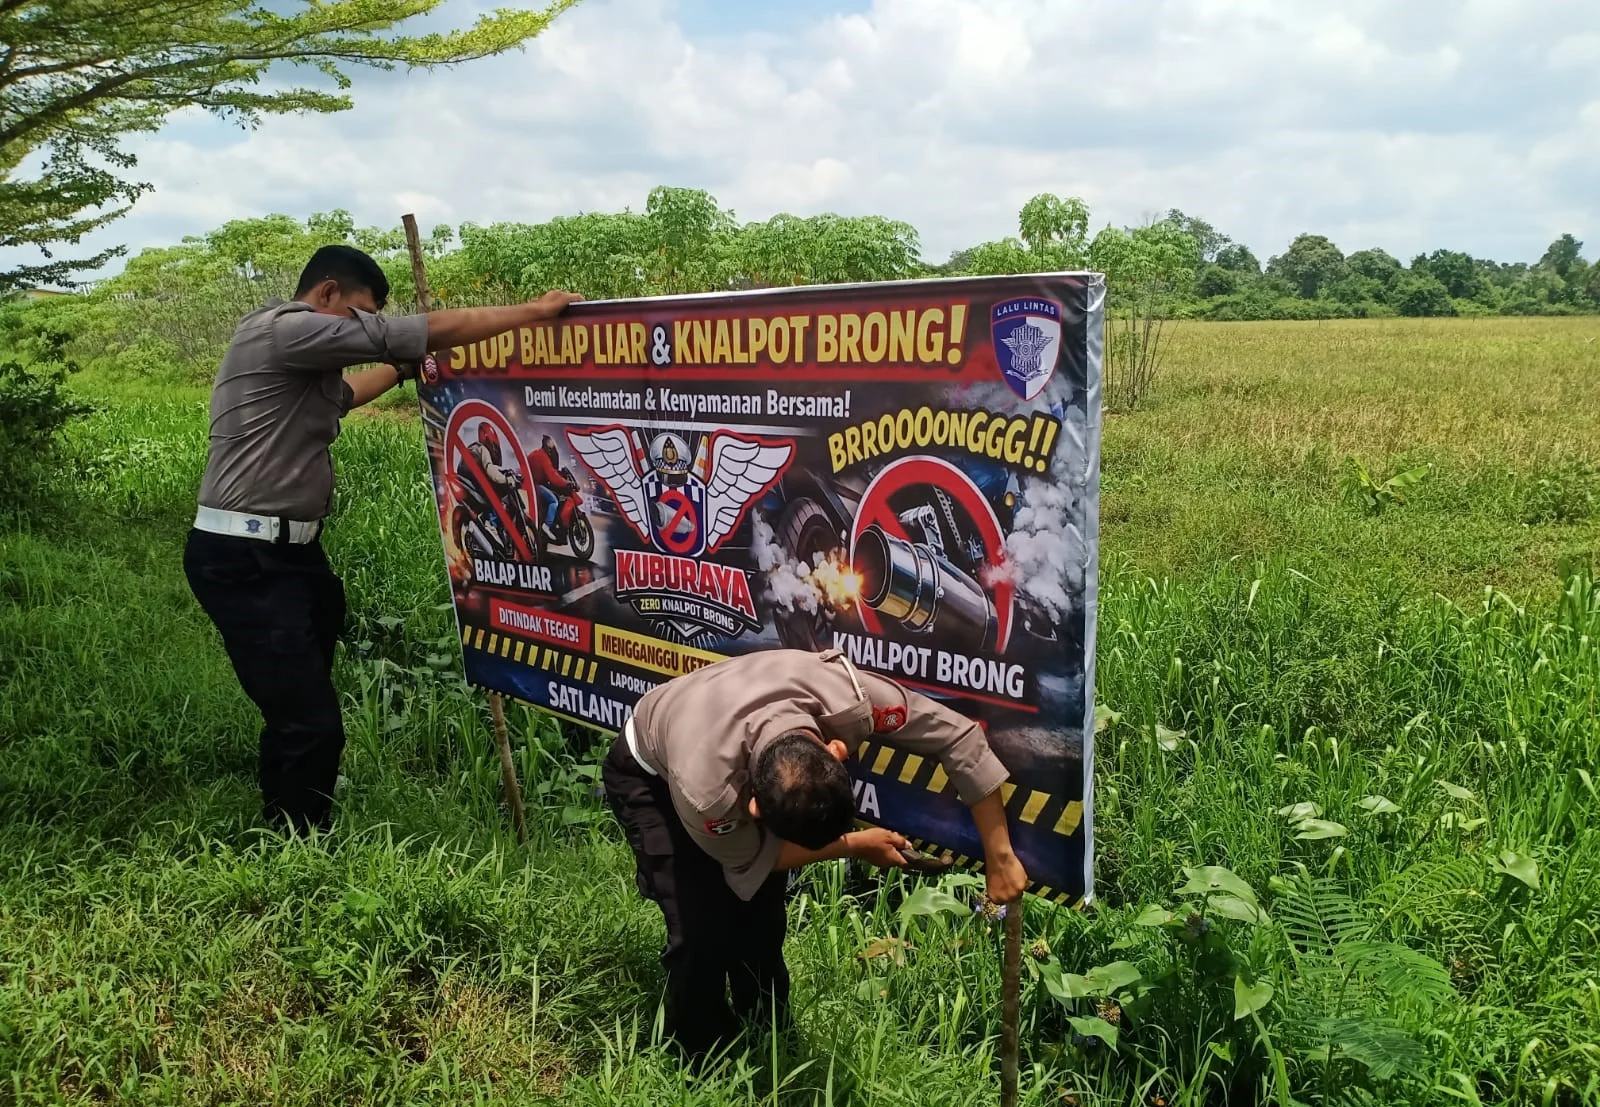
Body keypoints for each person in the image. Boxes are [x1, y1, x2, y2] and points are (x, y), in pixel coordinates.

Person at [184, 244, 581, 833]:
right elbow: (423, 330)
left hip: (290, 554)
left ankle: (291, 801)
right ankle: (295, 845)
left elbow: (345, 398)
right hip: (246, 556)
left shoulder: (300, 364)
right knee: (310, 721)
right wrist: (533, 312)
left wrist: (400, 370)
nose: (363, 330)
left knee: (303, 686)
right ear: (326, 294)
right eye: (360, 315)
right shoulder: (283, 331)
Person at [603, 647, 1028, 1061]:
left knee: (761, 915)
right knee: (698, 922)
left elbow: (960, 736)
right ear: (753, 808)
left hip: (719, 720)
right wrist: (856, 845)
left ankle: (769, 1034)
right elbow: (751, 859)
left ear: (837, 751)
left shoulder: (847, 698)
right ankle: (700, 1050)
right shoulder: (709, 795)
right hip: (650, 771)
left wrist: (1001, 856)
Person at [528, 434, 575, 543]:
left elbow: (551, 473)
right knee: (554, 500)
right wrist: (566, 482)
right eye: (551, 445)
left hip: (532, 483)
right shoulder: (543, 457)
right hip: (534, 485)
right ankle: (547, 526)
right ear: (548, 446)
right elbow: (553, 477)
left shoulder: (538, 453)